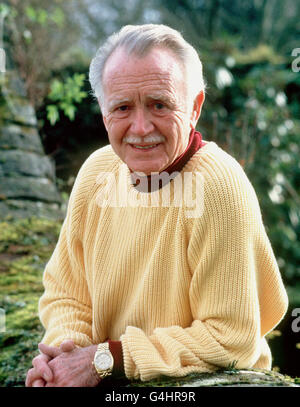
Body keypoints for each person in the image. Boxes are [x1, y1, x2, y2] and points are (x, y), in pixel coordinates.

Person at [25, 24, 288, 387]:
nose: (141, 127)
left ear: (195, 107)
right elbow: (67, 293)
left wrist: (106, 359)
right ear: (104, 114)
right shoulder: (97, 172)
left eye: (159, 104)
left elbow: (229, 338)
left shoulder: (218, 186)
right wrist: (67, 355)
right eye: (122, 107)